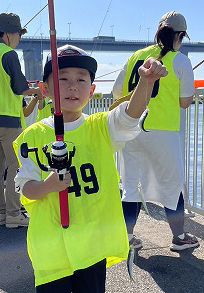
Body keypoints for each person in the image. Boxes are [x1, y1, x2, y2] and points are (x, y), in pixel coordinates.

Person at [14, 44, 167, 292]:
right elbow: (26, 189)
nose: (73, 86)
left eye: (81, 79)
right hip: (51, 250)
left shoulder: (102, 127)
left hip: (92, 247)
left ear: (92, 90)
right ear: (45, 89)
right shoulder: (31, 136)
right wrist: (47, 186)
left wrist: (146, 82)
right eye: (62, 79)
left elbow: (129, 115)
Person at [112, 12, 198, 252]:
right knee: (171, 184)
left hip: (130, 127)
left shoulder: (136, 56)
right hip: (162, 130)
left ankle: (127, 238)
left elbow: (117, 92)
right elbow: (184, 102)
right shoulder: (180, 60)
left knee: (130, 185)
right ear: (180, 36)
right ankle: (179, 237)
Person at [0, 12, 41, 228]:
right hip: (7, 119)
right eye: (19, 34)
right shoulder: (8, 54)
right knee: (15, 166)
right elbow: (20, 88)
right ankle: (14, 214)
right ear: (9, 33)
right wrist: (39, 91)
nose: (20, 39)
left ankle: (0, 214)